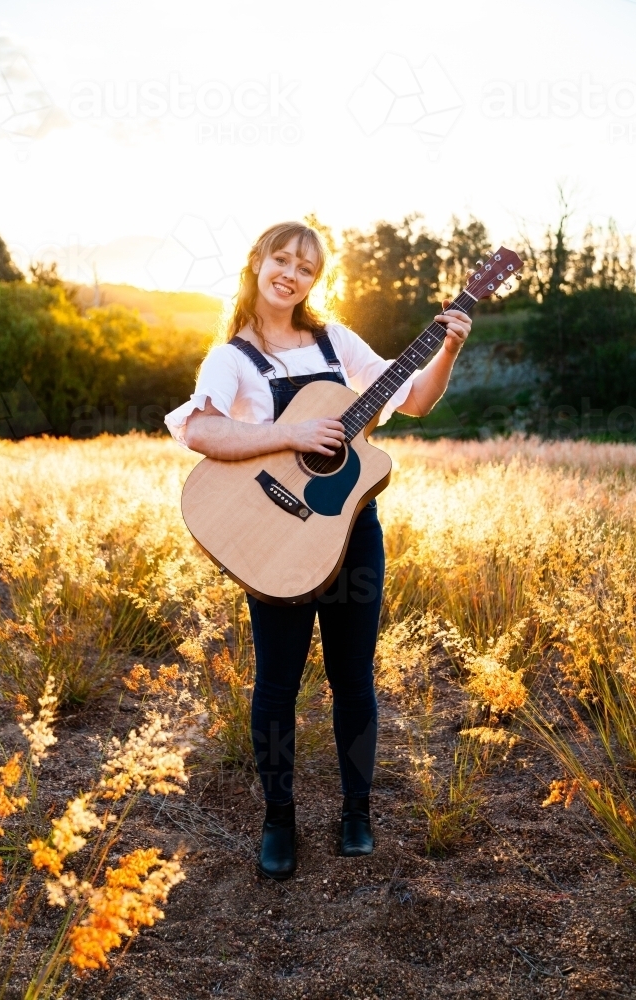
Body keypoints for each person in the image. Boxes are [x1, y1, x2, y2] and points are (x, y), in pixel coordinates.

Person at [165, 221, 471, 880]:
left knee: (353, 677)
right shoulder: (232, 357)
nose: (291, 275)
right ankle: (278, 822)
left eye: (305, 268)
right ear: (257, 263)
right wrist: (292, 431)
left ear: (313, 281)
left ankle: (356, 813)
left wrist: (445, 349)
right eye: (282, 259)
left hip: (350, 529)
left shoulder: (336, 340)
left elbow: (413, 399)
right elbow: (201, 431)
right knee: (276, 684)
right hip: (273, 536)